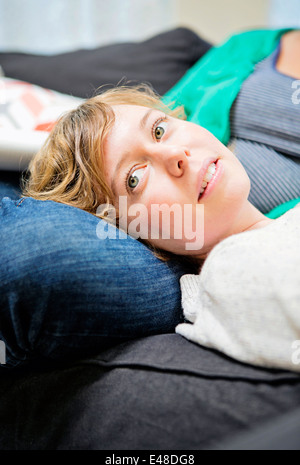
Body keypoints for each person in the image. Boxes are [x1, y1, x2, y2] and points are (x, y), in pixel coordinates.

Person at [2, 29, 300, 369]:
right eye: (135, 178)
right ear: (134, 231)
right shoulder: (235, 277)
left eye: (159, 129)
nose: (176, 155)